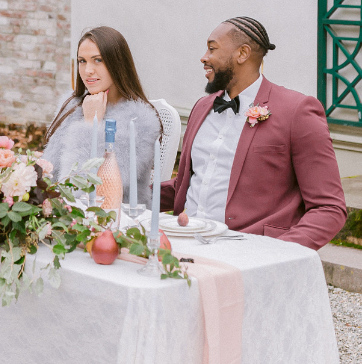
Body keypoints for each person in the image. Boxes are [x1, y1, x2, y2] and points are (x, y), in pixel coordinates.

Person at [161, 16, 347, 250]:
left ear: (242, 53)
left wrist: (277, 254)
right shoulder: (201, 107)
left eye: (212, 48)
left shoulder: (297, 111)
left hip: (251, 255)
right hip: (184, 245)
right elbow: (186, 186)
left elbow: (329, 208)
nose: (204, 57)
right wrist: (121, 192)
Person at [43, 26, 161, 205]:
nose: (88, 70)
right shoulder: (72, 105)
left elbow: (85, 192)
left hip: (118, 222)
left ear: (117, 64)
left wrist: (90, 124)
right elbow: (48, 175)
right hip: (65, 217)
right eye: (82, 61)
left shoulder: (140, 120)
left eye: (97, 60)